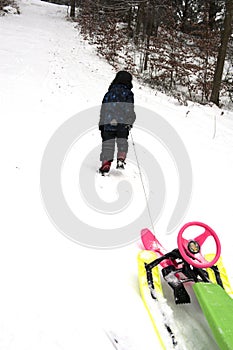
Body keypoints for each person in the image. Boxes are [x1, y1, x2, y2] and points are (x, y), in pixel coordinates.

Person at [98, 71, 136, 175]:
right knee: (122, 141)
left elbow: (103, 109)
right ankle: (120, 159)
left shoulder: (109, 93)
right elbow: (129, 108)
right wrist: (130, 120)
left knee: (108, 144)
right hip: (122, 123)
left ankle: (106, 164)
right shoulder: (128, 94)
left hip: (108, 122)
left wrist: (101, 123)